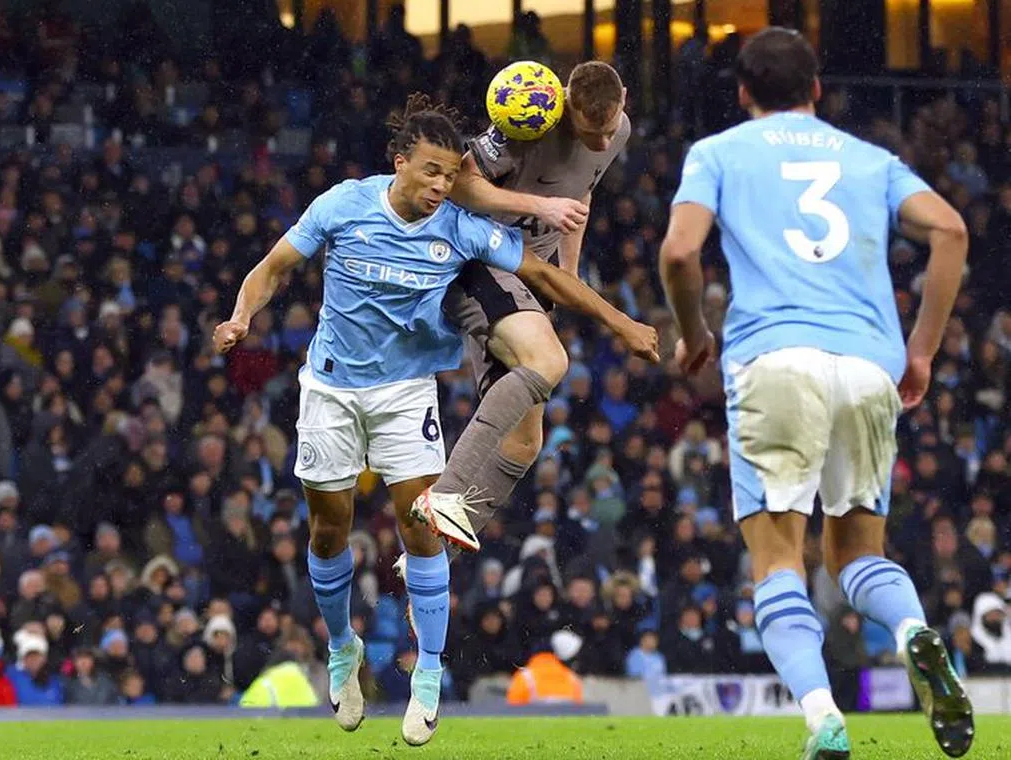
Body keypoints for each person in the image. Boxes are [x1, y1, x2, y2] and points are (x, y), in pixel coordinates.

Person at [213, 93, 652, 747]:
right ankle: (342, 648)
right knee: (329, 532)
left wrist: (620, 323)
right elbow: (272, 269)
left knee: (421, 528)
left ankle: (428, 673)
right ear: (400, 163)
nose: (441, 186)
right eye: (430, 172)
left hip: (405, 393)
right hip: (331, 388)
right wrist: (241, 317)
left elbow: (546, 277)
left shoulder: (461, 227)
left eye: (450, 175)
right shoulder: (344, 204)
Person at [659, 27, 972, 759]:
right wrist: (921, 351)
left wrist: (695, 332)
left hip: (773, 360)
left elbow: (679, 250)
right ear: (817, 90)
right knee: (857, 555)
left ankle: (823, 716)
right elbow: (952, 231)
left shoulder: (717, 153)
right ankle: (913, 630)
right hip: (868, 364)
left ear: (743, 92)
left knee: (777, 560)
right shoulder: (871, 160)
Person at [408, 61, 654, 553]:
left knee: (524, 443)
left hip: (532, 272)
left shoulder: (619, 130)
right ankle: (446, 494)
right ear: (566, 105)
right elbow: (462, 184)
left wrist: (570, 272)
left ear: (624, 99)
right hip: (481, 258)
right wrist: (541, 207)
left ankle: (431, 559)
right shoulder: (530, 119)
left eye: (609, 130)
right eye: (591, 131)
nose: (603, 142)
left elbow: (581, 193)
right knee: (549, 360)